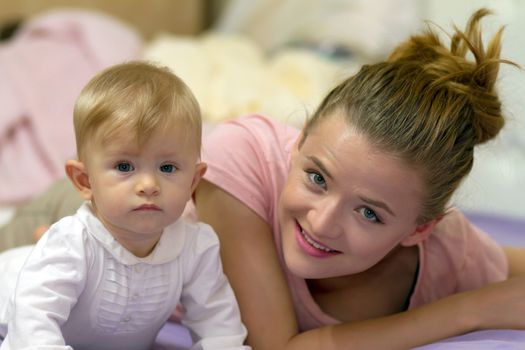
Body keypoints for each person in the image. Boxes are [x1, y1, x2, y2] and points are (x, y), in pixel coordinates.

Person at [191, 8, 525, 349]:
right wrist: (467, 312)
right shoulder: (242, 158)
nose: (322, 224)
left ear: (420, 229)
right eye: (317, 178)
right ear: (300, 140)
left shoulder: (446, 252)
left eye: (369, 213)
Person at [0, 61, 250, 350]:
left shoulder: (196, 247)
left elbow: (220, 327)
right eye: (124, 165)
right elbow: (33, 320)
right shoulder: (71, 243)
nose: (148, 184)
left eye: (168, 167)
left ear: (193, 182)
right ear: (84, 180)